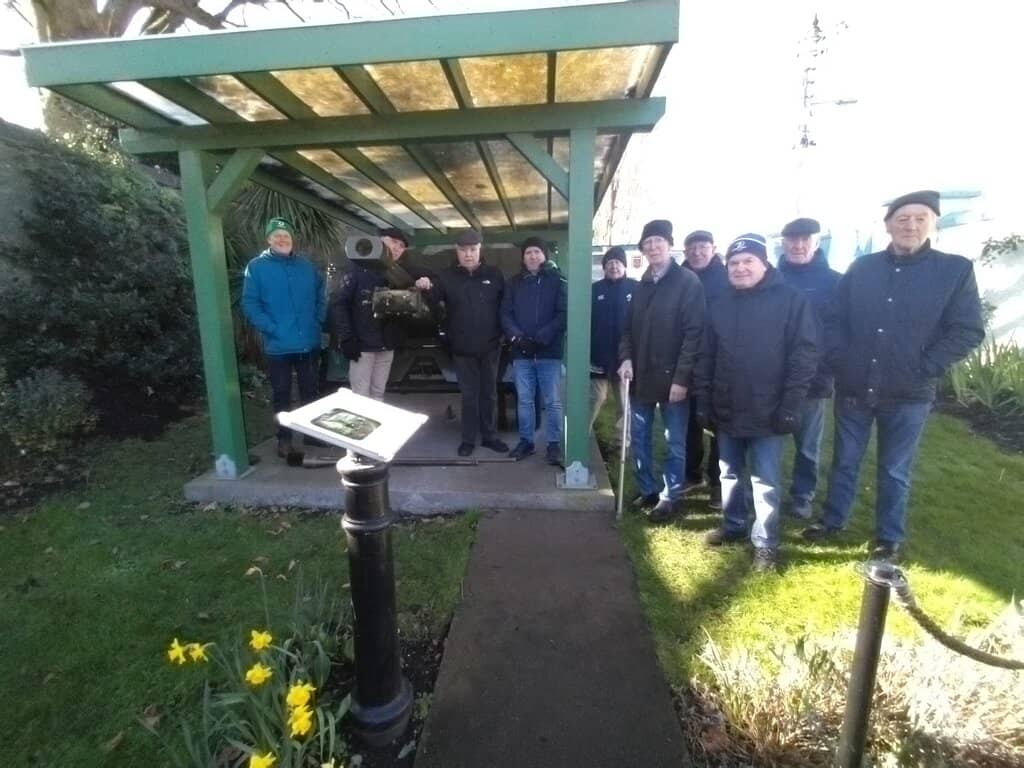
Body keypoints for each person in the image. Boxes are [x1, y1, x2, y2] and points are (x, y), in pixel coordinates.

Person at [802, 190, 985, 560]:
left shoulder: (954, 270)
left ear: (933, 223)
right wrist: (841, 359)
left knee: (894, 469)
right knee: (845, 460)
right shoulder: (863, 268)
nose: (911, 226)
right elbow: (834, 319)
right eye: (902, 219)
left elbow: (967, 329)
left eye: (920, 218)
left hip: (909, 393)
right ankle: (832, 521)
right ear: (888, 225)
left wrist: (927, 365)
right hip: (855, 385)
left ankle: (888, 536)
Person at [693, 234, 819, 572]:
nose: (740, 268)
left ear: (764, 263)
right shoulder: (719, 304)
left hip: (769, 409)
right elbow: (705, 356)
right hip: (726, 406)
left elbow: (804, 356)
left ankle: (765, 544)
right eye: (734, 263)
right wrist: (703, 400)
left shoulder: (791, 301)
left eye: (748, 261)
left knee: (764, 482)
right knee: (728, 473)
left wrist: (792, 405)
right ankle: (734, 526)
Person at [618, 219, 705, 523]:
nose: (653, 247)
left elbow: (694, 335)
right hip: (641, 376)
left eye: (658, 241)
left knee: (674, 441)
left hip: (673, 381)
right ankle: (648, 489)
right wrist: (626, 359)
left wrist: (682, 378)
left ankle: (671, 496)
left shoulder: (687, 283)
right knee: (639, 436)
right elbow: (627, 330)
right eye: (648, 243)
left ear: (669, 245)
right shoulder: (642, 285)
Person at [416, 230, 509, 457]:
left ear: (480, 250)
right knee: (468, 396)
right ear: (457, 251)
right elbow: (433, 300)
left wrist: (505, 336)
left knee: (489, 394)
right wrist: (425, 286)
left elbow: (506, 308)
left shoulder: (495, 275)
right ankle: (468, 439)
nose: (468, 254)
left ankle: (490, 437)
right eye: (463, 250)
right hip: (461, 348)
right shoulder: (446, 276)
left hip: (490, 347)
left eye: (472, 250)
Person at [241, 216, 325, 459]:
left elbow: (322, 293)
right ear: (269, 239)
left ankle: (311, 434)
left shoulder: (306, 267)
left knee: (310, 391)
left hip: (308, 342)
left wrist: (317, 320)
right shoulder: (256, 267)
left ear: (292, 240)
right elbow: (250, 304)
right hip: (278, 346)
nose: (282, 239)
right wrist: (272, 328)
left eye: (286, 236)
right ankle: (284, 439)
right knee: (282, 394)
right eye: (277, 236)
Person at [776, 217, 841, 519]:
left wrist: (823, 368)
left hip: (812, 380)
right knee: (768, 442)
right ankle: (767, 492)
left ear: (816, 243)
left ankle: (802, 495)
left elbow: (839, 333)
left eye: (805, 240)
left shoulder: (834, 283)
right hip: (770, 378)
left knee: (806, 445)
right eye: (792, 240)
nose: (798, 245)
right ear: (783, 243)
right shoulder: (773, 279)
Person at [329, 227, 431, 401]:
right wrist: (346, 338)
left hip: (386, 345)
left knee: (378, 395)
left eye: (401, 246)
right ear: (380, 241)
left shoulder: (401, 272)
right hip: (362, 347)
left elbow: (430, 280)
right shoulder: (356, 268)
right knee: (360, 397)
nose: (397, 248)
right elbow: (339, 304)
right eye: (393, 242)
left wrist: (426, 281)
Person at [501, 237, 568, 464]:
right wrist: (517, 338)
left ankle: (553, 445)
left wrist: (543, 337)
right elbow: (505, 313)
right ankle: (526, 442)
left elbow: (563, 313)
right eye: (528, 252)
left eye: (537, 252)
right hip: (522, 353)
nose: (532, 256)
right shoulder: (513, 283)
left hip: (549, 352)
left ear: (545, 256)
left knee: (553, 402)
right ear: (523, 257)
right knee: (525, 400)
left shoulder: (558, 281)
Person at [680, 229, 729, 508]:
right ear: (685, 251)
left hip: (718, 362)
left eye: (703, 247)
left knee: (719, 424)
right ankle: (691, 474)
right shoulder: (679, 278)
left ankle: (718, 482)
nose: (697, 252)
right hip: (686, 360)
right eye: (692, 247)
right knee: (689, 424)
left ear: (712, 248)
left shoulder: (726, 278)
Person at [589, 246, 638, 443]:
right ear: (604, 267)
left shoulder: (636, 288)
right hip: (599, 355)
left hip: (624, 357)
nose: (614, 266)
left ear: (624, 266)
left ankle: (622, 441)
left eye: (617, 262)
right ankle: (580, 435)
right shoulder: (595, 289)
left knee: (624, 402)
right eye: (609, 263)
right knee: (596, 398)